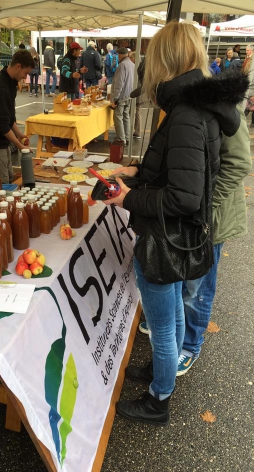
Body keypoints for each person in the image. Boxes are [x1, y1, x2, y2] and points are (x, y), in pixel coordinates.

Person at [103, 21, 245, 426]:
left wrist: (126, 197)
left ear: (165, 60)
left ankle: (158, 398)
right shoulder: (196, 106)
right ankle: (160, 375)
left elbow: (184, 196)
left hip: (166, 238)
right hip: (177, 237)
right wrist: (136, 175)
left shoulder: (185, 112)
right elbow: (179, 172)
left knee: (164, 325)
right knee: (172, 317)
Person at [138, 107, 251, 376]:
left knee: (197, 289)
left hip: (209, 220)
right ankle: (177, 341)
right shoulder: (182, 102)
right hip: (186, 217)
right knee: (181, 280)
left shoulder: (223, 104)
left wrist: (203, 208)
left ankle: (190, 346)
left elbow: (238, 164)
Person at [0, 50, 35, 184]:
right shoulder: (1, 88)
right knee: (2, 181)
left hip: (1, 139)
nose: (25, 78)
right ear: (18, 66)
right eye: (25, 73)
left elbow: (8, 117)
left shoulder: (10, 82)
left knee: (9, 176)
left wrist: (19, 134)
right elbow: (1, 123)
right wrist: (19, 145)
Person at [110, 47, 134, 146]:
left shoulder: (122, 65)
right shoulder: (132, 64)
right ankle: (127, 138)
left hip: (122, 96)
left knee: (118, 117)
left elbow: (119, 83)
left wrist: (115, 99)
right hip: (129, 94)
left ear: (119, 55)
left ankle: (121, 139)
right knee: (126, 117)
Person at [129, 52, 144, 139]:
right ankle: (137, 131)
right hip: (140, 92)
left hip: (137, 92)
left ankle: (136, 131)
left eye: (130, 57)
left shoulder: (137, 68)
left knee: (136, 112)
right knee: (137, 111)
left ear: (134, 58)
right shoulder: (141, 66)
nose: (130, 59)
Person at [242, 45, 254, 127]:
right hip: (247, 83)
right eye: (246, 50)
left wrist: (248, 84)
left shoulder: (252, 59)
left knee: (247, 105)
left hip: (250, 86)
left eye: (248, 50)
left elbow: (251, 73)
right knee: (248, 105)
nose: (246, 52)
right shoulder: (247, 58)